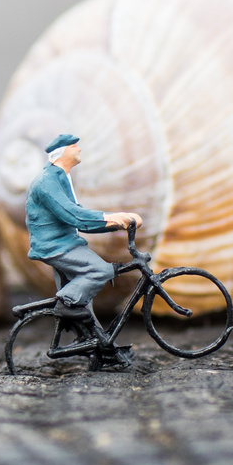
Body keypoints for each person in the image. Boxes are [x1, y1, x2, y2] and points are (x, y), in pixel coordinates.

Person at [25, 133, 142, 349]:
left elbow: (78, 218)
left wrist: (113, 222)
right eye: (74, 146)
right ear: (62, 152)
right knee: (101, 271)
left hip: (65, 241)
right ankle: (65, 304)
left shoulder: (61, 177)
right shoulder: (47, 182)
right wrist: (110, 217)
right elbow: (74, 216)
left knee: (84, 298)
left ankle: (97, 345)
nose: (78, 149)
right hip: (55, 246)